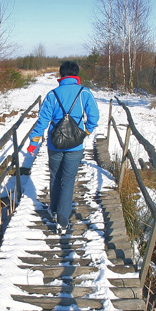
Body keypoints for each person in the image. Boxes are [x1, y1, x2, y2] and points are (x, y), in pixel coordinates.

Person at [27, 61, 100, 233]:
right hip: (75, 145)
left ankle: (53, 209)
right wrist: (86, 131)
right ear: (76, 74)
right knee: (67, 181)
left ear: (61, 75)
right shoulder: (85, 93)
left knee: (55, 176)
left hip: (55, 144)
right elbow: (94, 117)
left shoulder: (52, 95)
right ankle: (63, 220)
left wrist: (33, 143)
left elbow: (42, 121)